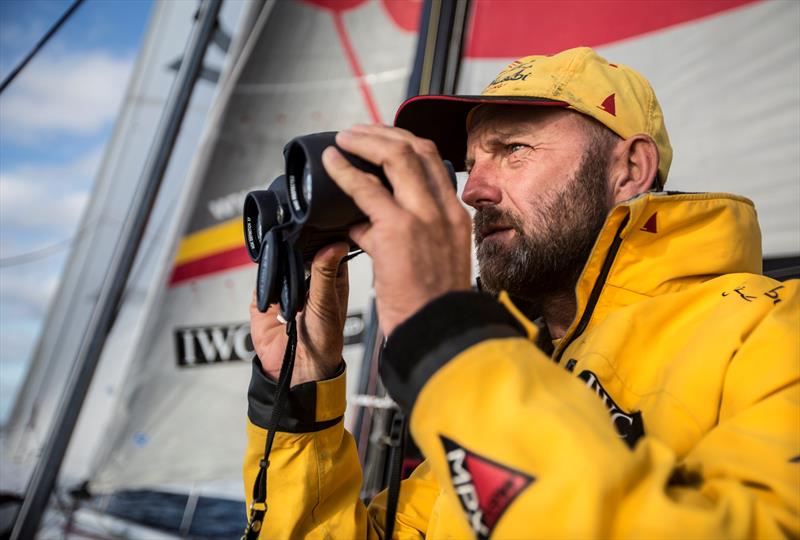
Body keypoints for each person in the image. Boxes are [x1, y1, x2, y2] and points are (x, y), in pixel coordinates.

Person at [244, 47, 799, 538]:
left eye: (513, 149)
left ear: (630, 169)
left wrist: (452, 344)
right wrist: (300, 400)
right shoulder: (513, 368)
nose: (472, 191)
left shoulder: (773, 332)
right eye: (470, 163)